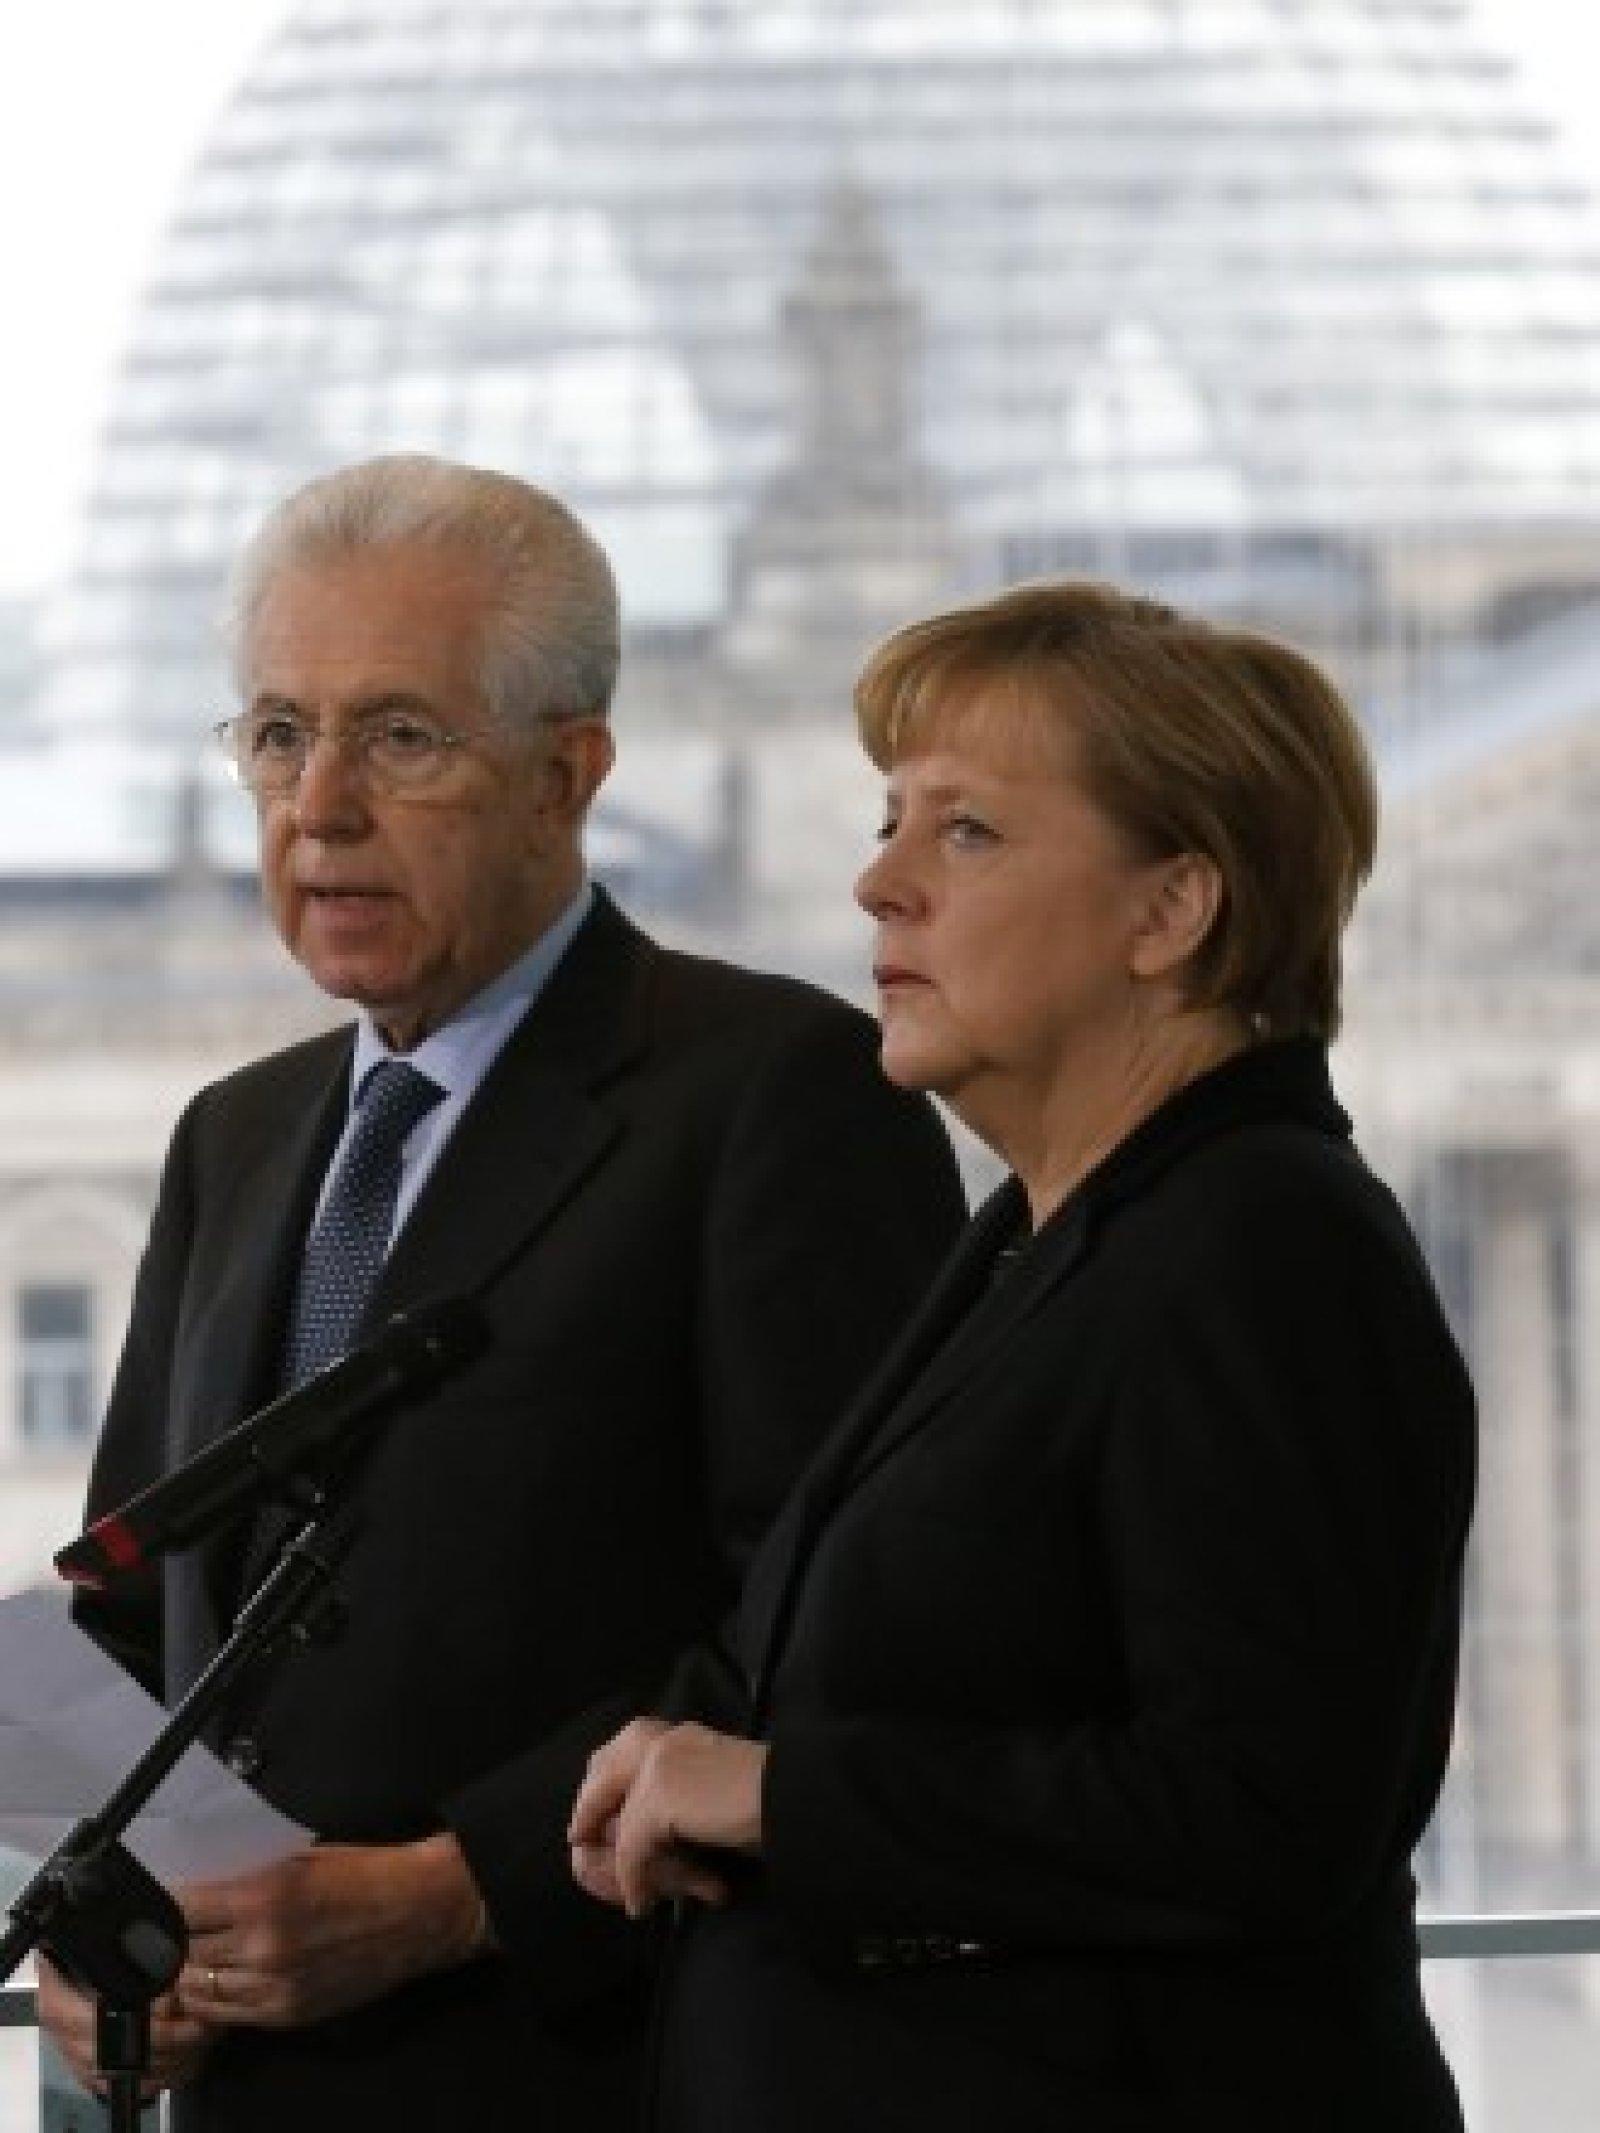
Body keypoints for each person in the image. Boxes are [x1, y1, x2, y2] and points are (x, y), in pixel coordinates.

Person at [37, 453, 967, 2130]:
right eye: (278, 734)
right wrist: (99, 1930)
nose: (321, 805)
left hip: (592, 2076)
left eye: (400, 736)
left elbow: (837, 1631)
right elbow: (134, 1601)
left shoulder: (778, 1094)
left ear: (566, 772)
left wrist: (455, 1890)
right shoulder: (233, 1134)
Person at [570, 580, 1477, 2132]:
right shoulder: (1038, 1235)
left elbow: (1263, 1811)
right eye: (890, 822)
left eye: (968, 831)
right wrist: (690, 1752)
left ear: (1170, 911)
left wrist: (785, 1794)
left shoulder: (1266, 1241)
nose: (879, 883)